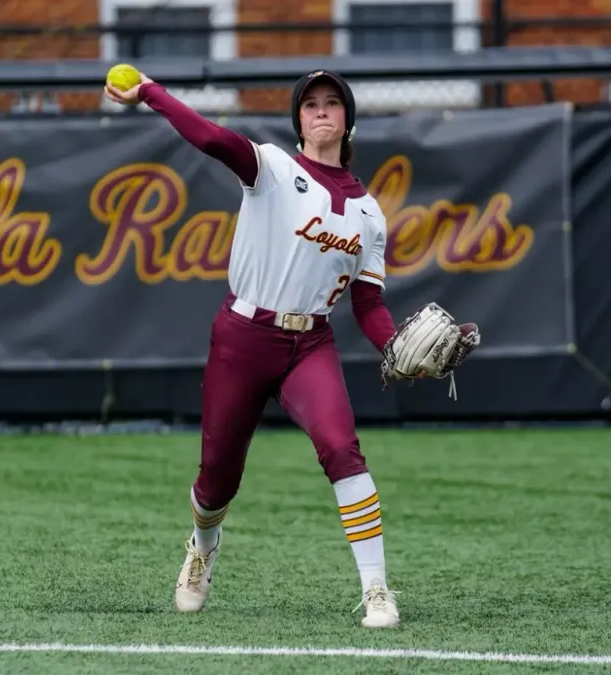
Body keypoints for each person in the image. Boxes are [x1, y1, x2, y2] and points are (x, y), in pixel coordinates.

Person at [104, 68, 414, 629]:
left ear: (348, 120)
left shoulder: (370, 215)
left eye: (332, 103)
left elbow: (368, 305)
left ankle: (377, 589)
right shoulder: (273, 167)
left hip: (310, 343)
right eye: (311, 104)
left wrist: (392, 344)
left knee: (343, 449)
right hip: (244, 336)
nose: (322, 111)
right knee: (218, 476)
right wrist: (150, 92)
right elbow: (211, 138)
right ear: (299, 120)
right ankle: (202, 547)